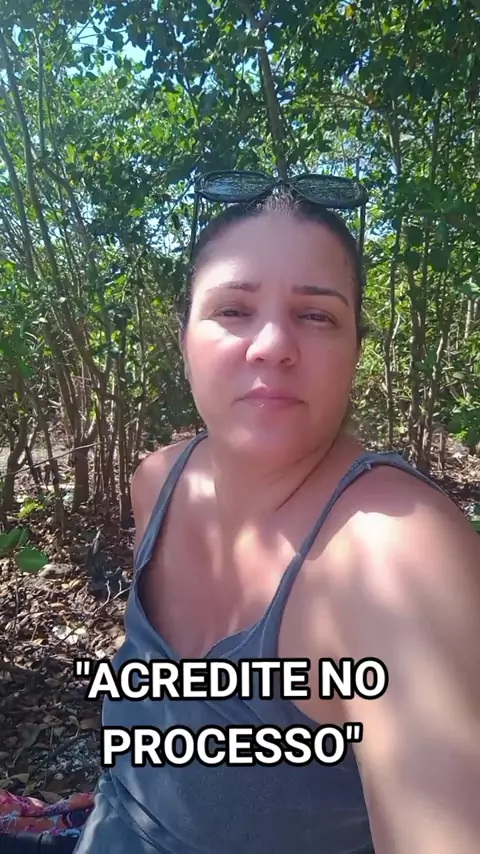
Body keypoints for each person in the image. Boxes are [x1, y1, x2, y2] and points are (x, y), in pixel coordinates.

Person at [5, 186, 479, 853]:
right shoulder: (158, 482)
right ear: (184, 341)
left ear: (355, 350)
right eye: (233, 309)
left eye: (315, 315)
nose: (273, 345)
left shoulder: (395, 552)